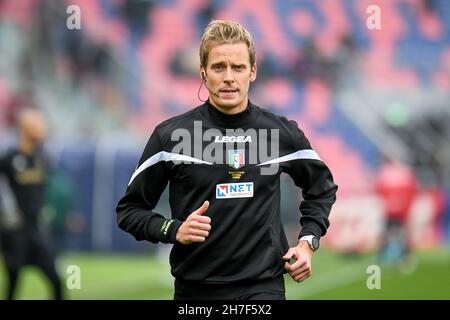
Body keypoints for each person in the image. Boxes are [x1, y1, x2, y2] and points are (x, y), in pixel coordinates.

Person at [116, 20, 338, 300]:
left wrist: (307, 242)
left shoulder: (279, 133)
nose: (229, 77)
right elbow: (129, 211)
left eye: (238, 67)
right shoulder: (171, 136)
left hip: (262, 287)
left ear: (253, 72)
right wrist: (173, 229)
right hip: (195, 293)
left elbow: (322, 188)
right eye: (219, 67)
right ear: (203, 73)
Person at [0, 108, 63, 300]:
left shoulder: (40, 159)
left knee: (57, 281)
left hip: (36, 230)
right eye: (38, 123)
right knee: (14, 283)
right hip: (14, 233)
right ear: (25, 128)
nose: (42, 128)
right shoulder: (9, 160)